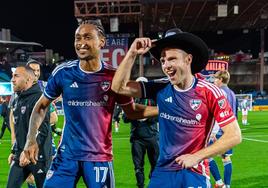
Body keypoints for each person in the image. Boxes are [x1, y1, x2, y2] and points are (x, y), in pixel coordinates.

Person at [23, 19, 157, 188]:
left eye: (87, 37)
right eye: (77, 38)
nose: (81, 43)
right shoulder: (63, 73)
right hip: (66, 156)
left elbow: (131, 112)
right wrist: (31, 139)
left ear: (102, 42)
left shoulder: (114, 77)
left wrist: (162, 109)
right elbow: (41, 106)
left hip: (98, 157)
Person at [111, 28, 242, 187]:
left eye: (172, 59)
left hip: (194, 171)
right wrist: (132, 53)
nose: (166, 65)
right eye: (163, 60)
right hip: (162, 172)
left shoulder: (210, 92)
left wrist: (197, 156)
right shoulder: (160, 87)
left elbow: (235, 135)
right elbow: (118, 87)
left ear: (188, 59)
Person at [7, 66, 52, 188]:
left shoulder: (39, 98)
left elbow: (43, 130)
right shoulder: (17, 99)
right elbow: (19, 130)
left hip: (38, 157)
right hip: (20, 155)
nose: (12, 80)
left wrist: (28, 152)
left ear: (28, 79)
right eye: (13, 76)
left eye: (16, 76)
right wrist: (14, 151)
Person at [123, 76, 159, 188]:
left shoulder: (153, 100)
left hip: (151, 137)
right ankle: (141, 186)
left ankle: (152, 183)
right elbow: (125, 118)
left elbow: (159, 117)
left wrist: (146, 117)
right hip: (138, 138)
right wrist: (136, 116)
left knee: (155, 165)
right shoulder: (132, 101)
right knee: (138, 167)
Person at [209, 70, 238, 188]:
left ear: (220, 80)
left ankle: (219, 182)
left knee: (207, 156)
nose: (214, 80)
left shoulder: (219, 92)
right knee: (226, 159)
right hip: (230, 131)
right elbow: (235, 113)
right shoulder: (232, 93)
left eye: (216, 78)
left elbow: (217, 113)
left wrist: (213, 132)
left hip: (219, 131)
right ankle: (227, 185)